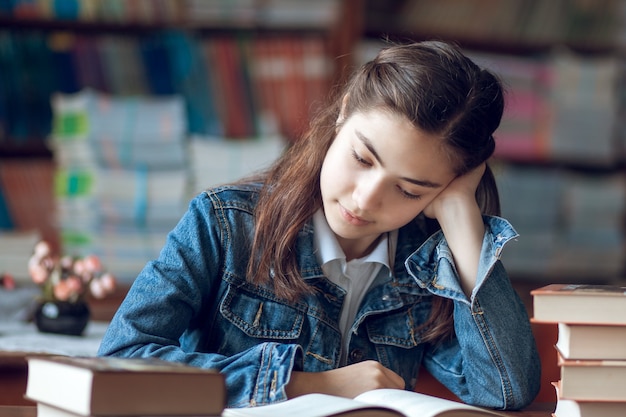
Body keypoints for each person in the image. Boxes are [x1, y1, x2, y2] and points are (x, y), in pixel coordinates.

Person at [98, 41, 541, 410]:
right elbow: (120, 360)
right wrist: (311, 385)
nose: (365, 199)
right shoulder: (223, 225)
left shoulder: (423, 266)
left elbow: (506, 391)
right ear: (343, 112)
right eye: (362, 159)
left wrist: (463, 216)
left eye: (409, 190)